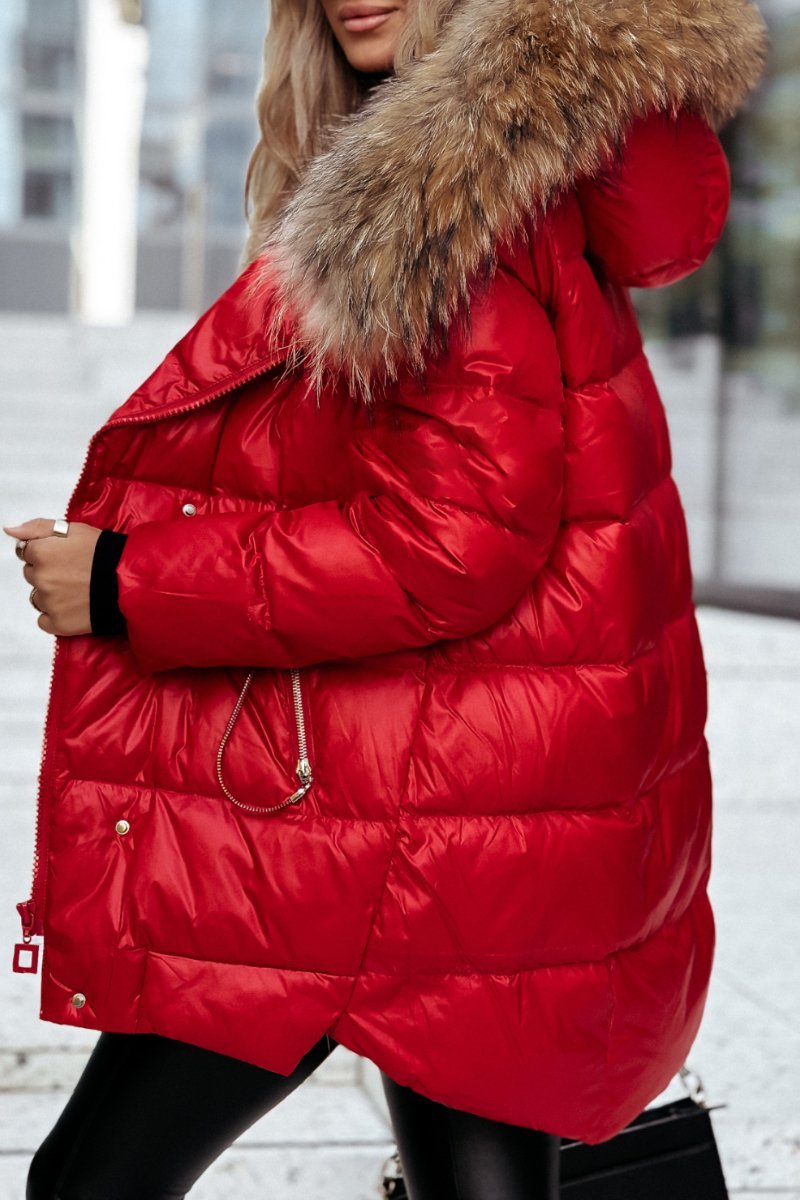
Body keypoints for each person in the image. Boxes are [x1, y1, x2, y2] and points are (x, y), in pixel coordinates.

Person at [4, 0, 767, 1197]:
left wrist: (125, 579)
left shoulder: (450, 186)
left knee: (90, 1183)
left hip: (390, 817)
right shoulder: (539, 165)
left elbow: (451, 542)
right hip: (492, 798)